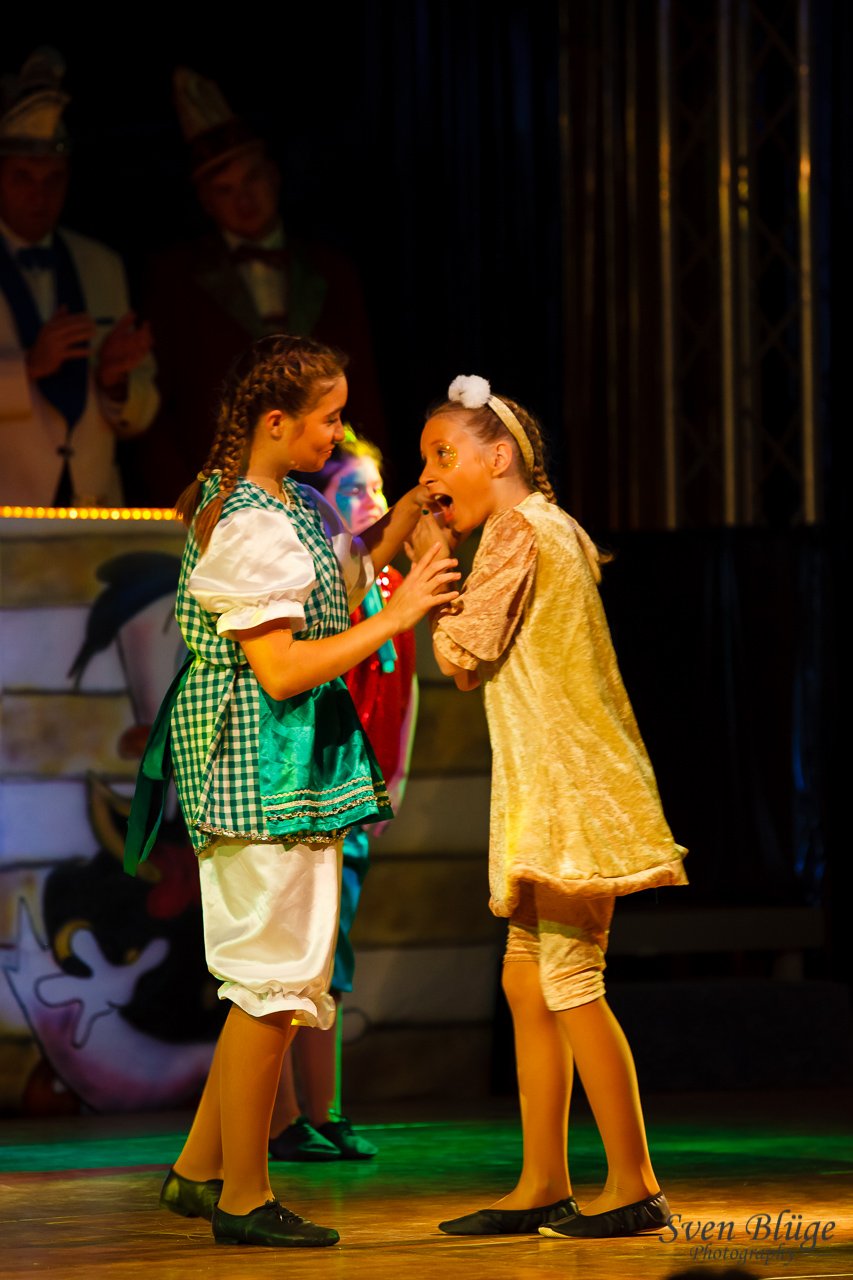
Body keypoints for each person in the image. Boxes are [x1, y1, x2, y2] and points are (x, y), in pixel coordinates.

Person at [128, 334, 457, 1248]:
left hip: (289, 771)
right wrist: (398, 617)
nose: (337, 434)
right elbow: (278, 669)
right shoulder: (246, 523)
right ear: (276, 422)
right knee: (269, 986)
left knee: (279, 980)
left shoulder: (294, 505)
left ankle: (200, 1171)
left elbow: (334, 584)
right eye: (328, 419)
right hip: (256, 772)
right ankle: (242, 1195)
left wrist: (401, 523)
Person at [413, 374, 688, 1241]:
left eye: (442, 455)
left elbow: (462, 655)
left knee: (568, 979)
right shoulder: (547, 525)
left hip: (569, 786)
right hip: (556, 779)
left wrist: (426, 575)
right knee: (525, 972)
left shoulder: (516, 531)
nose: (428, 475)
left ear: (498, 457)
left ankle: (634, 1183)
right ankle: (542, 1180)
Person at [129, 67, 383, 506]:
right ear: (206, 200)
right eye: (225, 190)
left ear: (273, 175)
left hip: (327, 486)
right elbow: (165, 406)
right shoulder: (175, 279)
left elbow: (364, 390)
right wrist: (182, 498)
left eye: (251, 180)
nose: (244, 200)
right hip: (218, 489)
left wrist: (365, 479)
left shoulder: (330, 270)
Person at [268, 431, 418, 1162]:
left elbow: (405, 691)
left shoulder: (388, 583)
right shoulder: (325, 581)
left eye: (377, 488)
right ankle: (283, 1116)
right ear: (322, 503)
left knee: (332, 956)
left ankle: (324, 1111)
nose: (370, 501)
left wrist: (396, 778)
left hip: (359, 795)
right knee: (288, 956)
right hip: (309, 785)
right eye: (353, 489)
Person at [0, 49, 157, 507]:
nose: (39, 195)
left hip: (94, 508)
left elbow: (142, 411)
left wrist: (115, 383)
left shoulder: (101, 264)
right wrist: (27, 367)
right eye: (23, 178)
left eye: (53, 179)